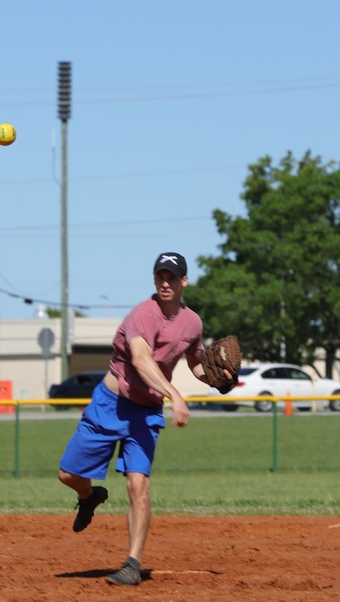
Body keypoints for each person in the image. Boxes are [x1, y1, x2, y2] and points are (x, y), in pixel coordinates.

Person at [58, 251, 226, 586]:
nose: (165, 282)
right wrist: (175, 396)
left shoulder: (192, 322)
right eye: (160, 276)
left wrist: (218, 377)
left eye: (172, 277)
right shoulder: (142, 315)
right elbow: (141, 359)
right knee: (67, 474)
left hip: (145, 413)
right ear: (154, 280)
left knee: (139, 486)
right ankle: (89, 496)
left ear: (184, 281)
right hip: (110, 404)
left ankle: (132, 564)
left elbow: (195, 362)